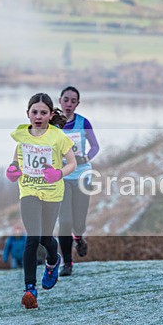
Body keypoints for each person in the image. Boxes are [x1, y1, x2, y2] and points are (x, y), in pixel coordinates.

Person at [6, 93, 77, 309]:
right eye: (34, 112)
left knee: (46, 239)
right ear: (27, 113)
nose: (38, 116)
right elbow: (16, 161)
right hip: (28, 191)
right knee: (32, 237)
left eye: (43, 112)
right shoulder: (22, 136)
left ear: (50, 114)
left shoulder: (58, 137)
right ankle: (30, 289)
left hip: (52, 193)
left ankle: (52, 261)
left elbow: (72, 163)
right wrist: (12, 170)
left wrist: (59, 173)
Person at [56, 86, 100, 277]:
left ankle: (79, 237)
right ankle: (67, 262)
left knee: (78, 221)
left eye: (73, 101)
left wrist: (85, 158)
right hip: (63, 177)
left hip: (82, 175)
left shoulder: (83, 123)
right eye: (66, 100)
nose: (69, 104)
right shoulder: (54, 124)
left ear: (77, 104)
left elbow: (95, 146)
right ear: (60, 101)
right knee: (65, 221)